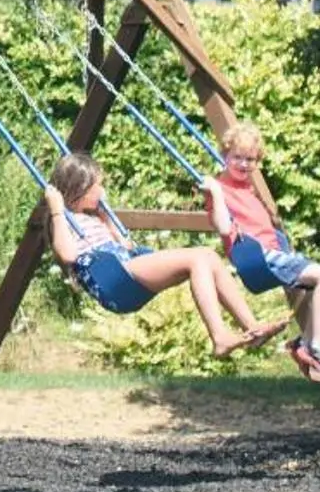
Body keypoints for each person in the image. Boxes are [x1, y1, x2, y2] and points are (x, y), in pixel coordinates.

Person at [42, 152, 286, 357]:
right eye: (98, 186)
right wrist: (56, 210)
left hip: (126, 268)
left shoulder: (95, 217)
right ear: (80, 189)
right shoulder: (63, 220)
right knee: (197, 257)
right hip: (114, 277)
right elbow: (68, 255)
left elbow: (125, 245)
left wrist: (106, 217)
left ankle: (252, 327)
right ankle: (220, 337)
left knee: (208, 256)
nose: (103, 190)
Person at [203, 122, 320, 387]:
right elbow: (223, 227)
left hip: (274, 252)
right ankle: (318, 348)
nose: (243, 164)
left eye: (250, 159)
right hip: (258, 256)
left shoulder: (247, 187)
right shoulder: (219, 188)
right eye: (237, 157)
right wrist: (214, 191)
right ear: (225, 155)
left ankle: (304, 343)